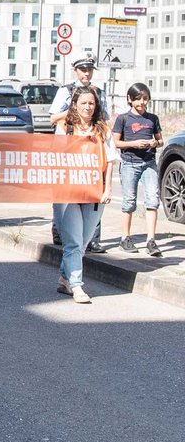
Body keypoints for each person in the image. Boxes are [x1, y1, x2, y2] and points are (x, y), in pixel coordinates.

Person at [55, 85, 119, 303]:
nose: (88, 107)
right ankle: (77, 286)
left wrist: (107, 188)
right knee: (73, 242)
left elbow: (110, 161)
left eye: (91, 103)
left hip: (93, 193)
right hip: (67, 192)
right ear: (75, 105)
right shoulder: (65, 128)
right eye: (83, 103)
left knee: (82, 242)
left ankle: (64, 278)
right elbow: (53, 157)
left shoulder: (103, 130)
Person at [49, 56, 108, 252]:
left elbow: (104, 117)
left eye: (89, 70)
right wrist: (75, 111)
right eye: (82, 69)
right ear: (75, 70)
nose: (86, 73)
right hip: (71, 147)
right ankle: (61, 231)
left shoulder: (99, 92)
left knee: (93, 193)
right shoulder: (65, 91)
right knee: (67, 197)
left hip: (92, 147)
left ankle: (92, 239)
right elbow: (53, 118)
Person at [113, 82, 164, 256]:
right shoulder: (123, 119)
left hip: (149, 162)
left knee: (152, 200)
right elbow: (116, 142)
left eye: (145, 99)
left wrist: (154, 142)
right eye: (138, 99)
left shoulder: (152, 118)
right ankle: (125, 238)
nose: (142, 102)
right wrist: (134, 143)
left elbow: (160, 140)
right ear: (129, 99)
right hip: (130, 163)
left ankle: (151, 240)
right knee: (129, 201)